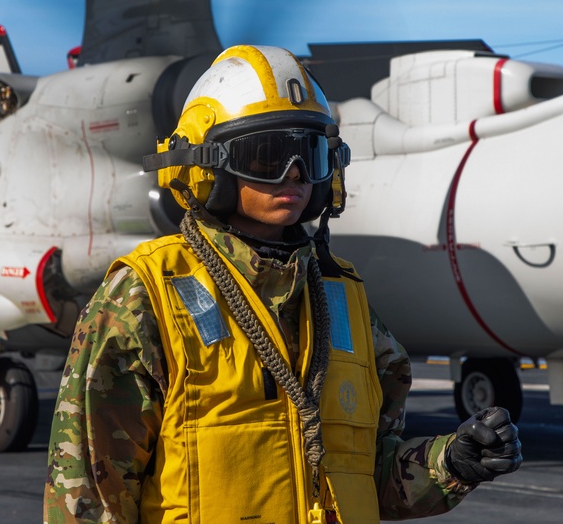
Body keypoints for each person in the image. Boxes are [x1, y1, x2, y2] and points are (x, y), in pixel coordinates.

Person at [44, 45, 521, 523]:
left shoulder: (344, 299)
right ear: (208, 165)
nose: (293, 172)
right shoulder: (146, 294)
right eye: (269, 153)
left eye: (309, 153)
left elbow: (367, 475)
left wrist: (452, 462)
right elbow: (88, 496)